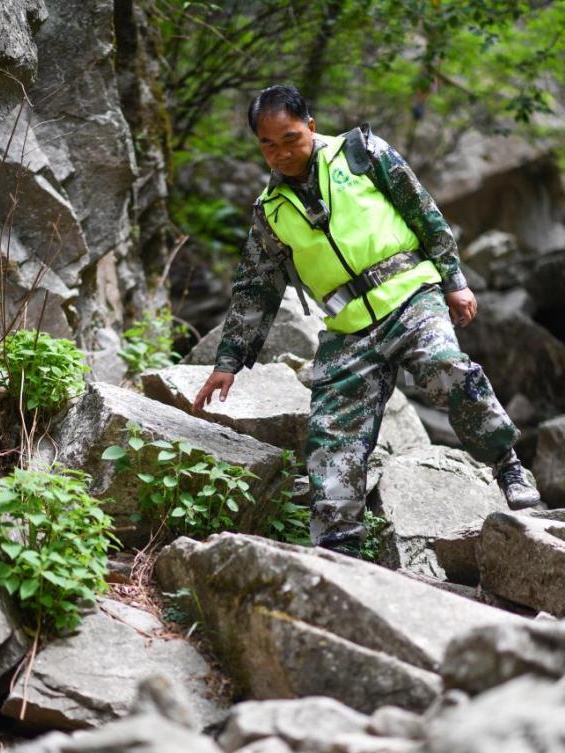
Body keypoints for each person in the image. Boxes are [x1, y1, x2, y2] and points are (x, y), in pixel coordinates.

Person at [192, 84, 540, 558]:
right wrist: (228, 361)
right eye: (267, 145)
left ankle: (507, 464)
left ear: (310, 126)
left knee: (446, 369)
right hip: (350, 327)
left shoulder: (361, 153)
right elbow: (255, 288)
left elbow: (422, 210)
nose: (280, 153)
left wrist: (454, 278)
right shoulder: (269, 212)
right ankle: (341, 548)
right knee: (331, 433)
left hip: (411, 295)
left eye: (290, 139)